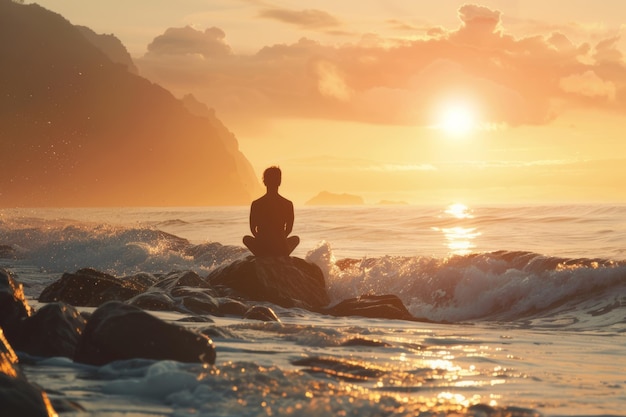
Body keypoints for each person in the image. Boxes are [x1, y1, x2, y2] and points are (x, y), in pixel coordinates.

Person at [243, 166, 300, 256]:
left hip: (262, 246)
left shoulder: (256, 204)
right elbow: (289, 229)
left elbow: (252, 229)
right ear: (279, 182)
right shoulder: (287, 204)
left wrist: (262, 240)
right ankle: (281, 253)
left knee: (246, 239)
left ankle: (262, 253)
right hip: (281, 247)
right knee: (296, 239)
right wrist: (279, 240)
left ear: (264, 182)